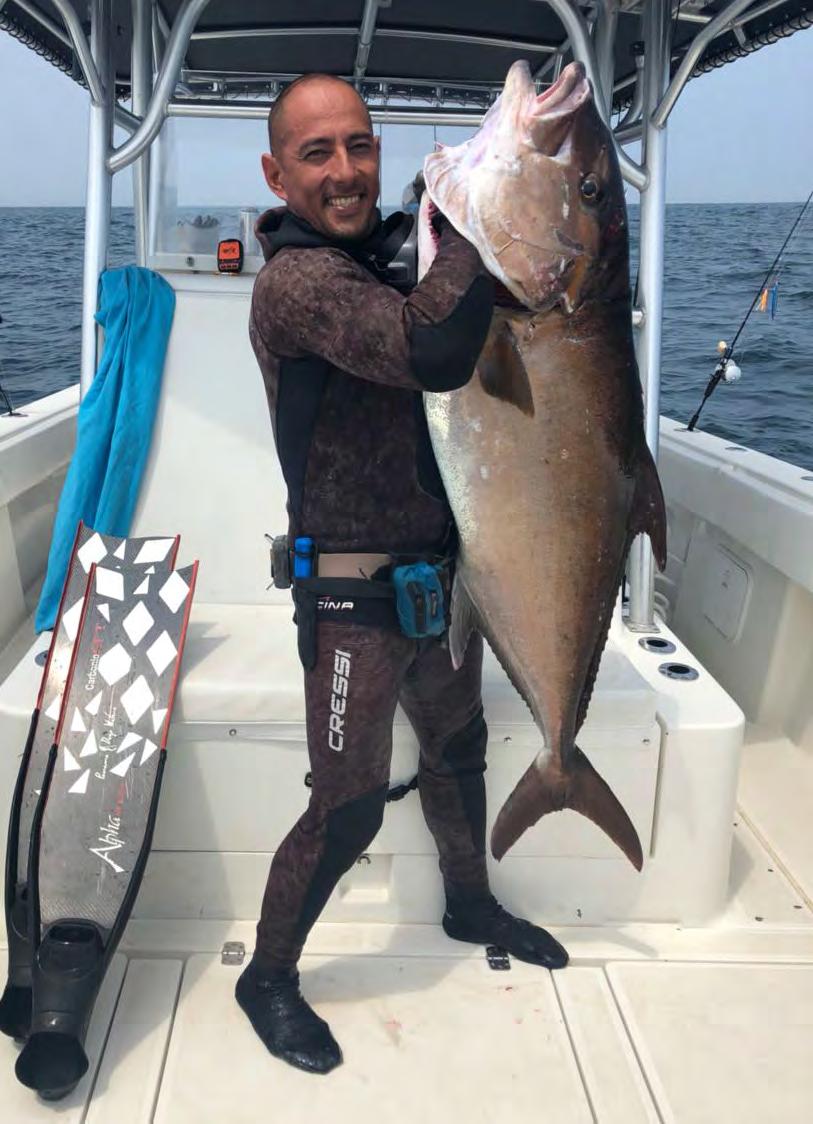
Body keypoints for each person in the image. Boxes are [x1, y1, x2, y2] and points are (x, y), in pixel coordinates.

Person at [238, 72, 568, 1076]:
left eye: (359, 145)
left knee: (459, 751)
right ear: (277, 176)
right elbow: (430, 346)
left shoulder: (392, 255)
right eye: (317, 153)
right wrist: (477, 213)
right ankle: (268, 975)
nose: (345, 170)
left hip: (442, 582)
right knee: (347, 805)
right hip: (351, 598)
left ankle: (469, 903)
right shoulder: (298, 284)